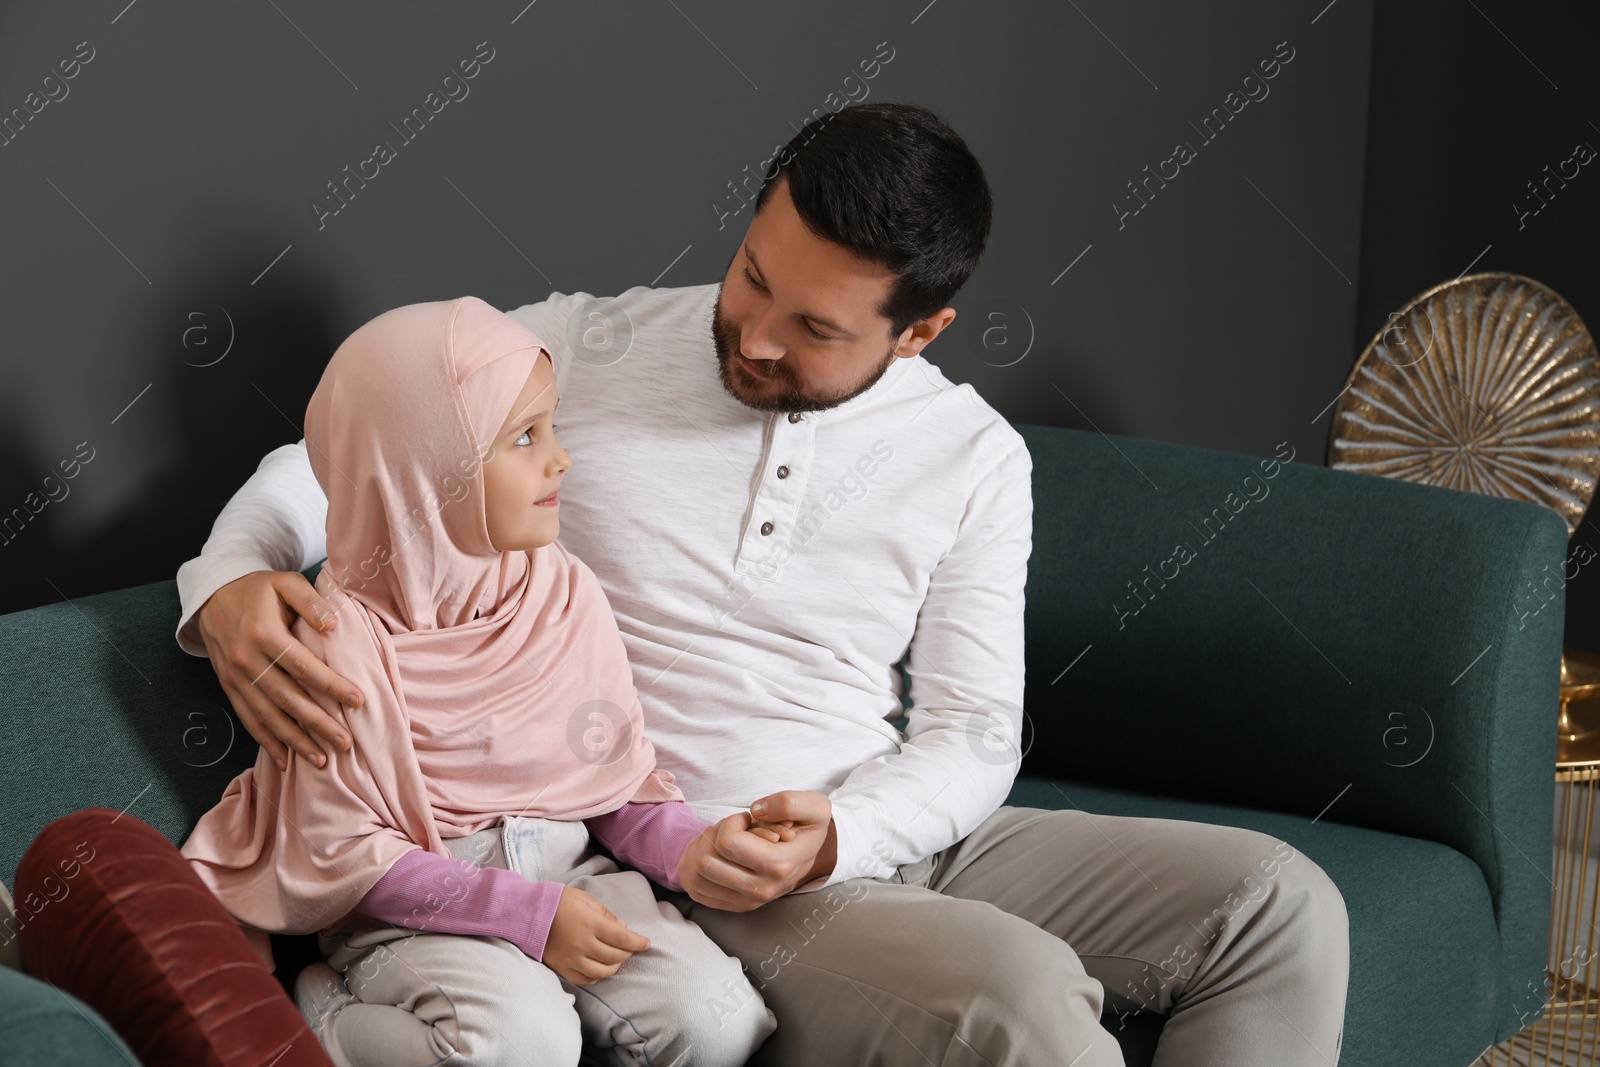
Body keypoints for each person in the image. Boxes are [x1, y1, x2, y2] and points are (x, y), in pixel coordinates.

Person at [176, 101, 1349, 1065]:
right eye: (751, 276)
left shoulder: (977, 455)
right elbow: (360, 449)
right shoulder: (589, 347)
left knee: (1281, 906)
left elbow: (974, 729)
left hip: (882, 826)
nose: (758, 337)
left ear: (919, 332)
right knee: (1028, 1004)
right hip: (702, 853)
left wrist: (849, 826)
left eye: (817, 327)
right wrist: (230, 573)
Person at [179, 296, 778, 1067]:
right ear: (424, 470)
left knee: (717, 1020)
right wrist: (528, 916)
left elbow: (615, 785)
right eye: (524, 436)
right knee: (524, 1043)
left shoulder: (563, 594)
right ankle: (325, 1013)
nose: (559, 458)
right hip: (414, 910)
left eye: (552, 426)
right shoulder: (338, 636)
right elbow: (348, 854)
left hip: (574, 876)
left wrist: (693, 852)